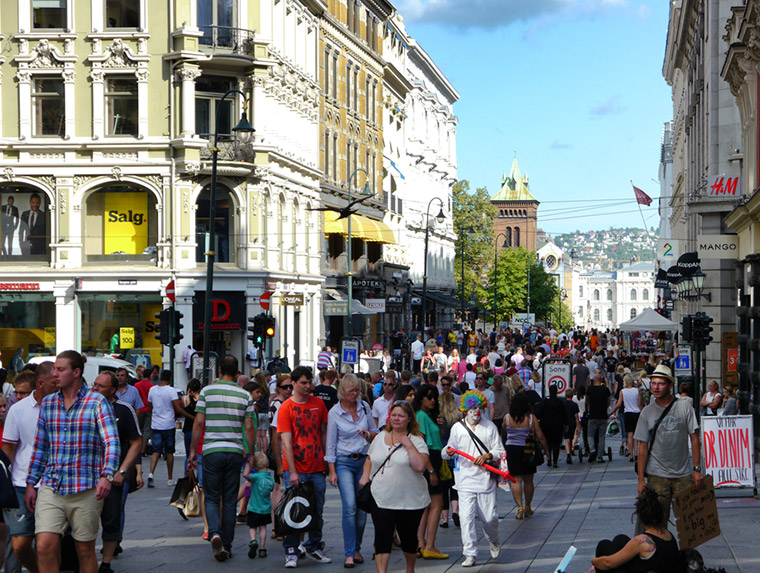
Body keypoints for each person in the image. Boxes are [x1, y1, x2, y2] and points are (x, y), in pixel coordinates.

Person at [24, 351, 120, 573]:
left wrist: (107, 475)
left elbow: (112, 443)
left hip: (86, 487)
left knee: (84, 549)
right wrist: (31, 483)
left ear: (76, 372)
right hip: (52, 485)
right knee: (44, 545)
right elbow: (41, 447)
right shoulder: (48, 403)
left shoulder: (97, 403)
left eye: (60, 369)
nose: (54, 374)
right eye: (54, 369)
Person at [188, 354, 257, 562]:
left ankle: (214, 532)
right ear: (237, 372)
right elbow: (249, 427)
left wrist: (193, 450)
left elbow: (199, 423)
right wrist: (251, 453)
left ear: (219, 371)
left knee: (211, 496)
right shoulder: (245, 396)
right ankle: (226, 543)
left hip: (211, 451)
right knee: (229, 499)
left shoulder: (207, 392)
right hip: (234, 451)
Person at [360, 401, 430, 573]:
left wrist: (408, 444)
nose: (397, 419)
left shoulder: (417, 440)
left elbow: (420, 466)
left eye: (401, 415)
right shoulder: (380, 437)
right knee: (382, 537)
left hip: (409, 499)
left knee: (408, 538)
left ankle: (409, 568)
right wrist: (364, 476)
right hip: (381, 496)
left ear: (409, 419)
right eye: (394, 415)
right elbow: (370, 458)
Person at [634, 364, 703, 530]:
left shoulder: (684, 407)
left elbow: (694, 439)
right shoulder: (647, 413)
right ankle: (661, 554)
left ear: (670, 385)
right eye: (654, 383)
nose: (656, 388)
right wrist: (641, 479)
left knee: (690, 525)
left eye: (661, 384)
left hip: (684, 474)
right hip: (657, 476)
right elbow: (642, 447)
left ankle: (686, 555)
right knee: (657, 524)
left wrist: (697, 469)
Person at [2, 364, 56, 573]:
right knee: (20, 543)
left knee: (47, 543)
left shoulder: (62, 406)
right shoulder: (18, 410)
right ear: (41, 384)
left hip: (52, 484)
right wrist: (5, 488)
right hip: (21, 483)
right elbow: (9, 449)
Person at [277, 365, 331, 568]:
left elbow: (324, 433)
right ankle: (291, 550)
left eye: (310, 382)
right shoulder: (286, 408)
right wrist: (291, 471)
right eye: (304, 383)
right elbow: (286, 442)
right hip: (297, 467)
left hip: (317, 466)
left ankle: (313, 545)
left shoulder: (319, 404)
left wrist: (327, 460)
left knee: (317, 509)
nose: (308, 386)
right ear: (294, 383)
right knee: (294, 510)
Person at [442, 391, 503, 567]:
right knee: (466, 517)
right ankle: (470, 553)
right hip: (464, 480)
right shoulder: (457, 428)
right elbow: (445, 452)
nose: (475, 411)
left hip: (485, 480)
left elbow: (500, 451)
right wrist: (448, 451)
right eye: (471, 408)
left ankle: (493, 539)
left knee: (490, 517)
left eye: (478, 408)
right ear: (465, 410)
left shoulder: (490, 426)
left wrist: (488, 456)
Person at [91, 372, 142, 573]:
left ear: (112, 390)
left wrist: (125, 470)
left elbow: (136, 442)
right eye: (94, 385)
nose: (95, 389)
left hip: (115, 473)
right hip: (89, 473)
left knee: (112, 515)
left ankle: (106, 562)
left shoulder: (123, 409)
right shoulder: (85, 406)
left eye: (101, 386)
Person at [325, 373, 378, 568]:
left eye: (357, 390)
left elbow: (376, 433)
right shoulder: (335, 413)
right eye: (351, 391)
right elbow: (330, 444)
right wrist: (332, 470)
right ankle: (348, 553)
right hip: (344, 462)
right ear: (342, 392)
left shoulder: (364, 407)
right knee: (349, 506)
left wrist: (368, 434)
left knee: (362, 507)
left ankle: (357, 548)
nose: (355, 393)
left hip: (364, 461)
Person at [591, 487, 680, 571]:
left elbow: (608, 563)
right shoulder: (668, 534)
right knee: (620, 539)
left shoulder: (642, 541)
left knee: (603, 545)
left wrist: (594, 561)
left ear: (641, 518)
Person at [412, 384, 447, 560]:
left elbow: (434, 440)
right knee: (436, 503)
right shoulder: (421, 416)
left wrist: (440, 428)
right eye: (429, 397)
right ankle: (429, 545)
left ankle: (421, 543)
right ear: (422, 398)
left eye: (434, 397)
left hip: (433, 458)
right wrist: (431, 469)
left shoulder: (427, 416)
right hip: (430, 460)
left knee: (427, 504)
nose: (432, 400)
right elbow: (422, 445)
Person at [504, 391, 548, 519]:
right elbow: (540, 436)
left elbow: (504, 431)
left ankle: (519, 507)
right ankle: (528, 507)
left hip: (512, 450)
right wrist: (546, 450)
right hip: (528, 450)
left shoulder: (507, 418)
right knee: (528, 480)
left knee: (516, 480)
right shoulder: (531, 419)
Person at [147, 370, 193, 487]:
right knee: (169, 451)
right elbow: (177, 408)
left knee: (156, 451)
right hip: (168, 424)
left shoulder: (152, 390)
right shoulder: (171, 391)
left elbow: (149, 406)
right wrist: (191, 417)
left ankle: (151, 473)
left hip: (156, 424)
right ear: (170, 378)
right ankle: (170, 477)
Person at [243, 452, 275, 559]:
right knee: (263, 528)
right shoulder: (270, 479)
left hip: (254, 508)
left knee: (252, 527)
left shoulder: (255, 477)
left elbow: (245, 475)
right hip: (265, 509)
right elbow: (271, 489)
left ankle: (253, 541)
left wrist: (248, 464)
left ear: (256, 466)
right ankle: (262, 549)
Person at [437, 390, 461, 529]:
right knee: (454, 484)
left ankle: (444, 519)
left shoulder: (439, 418)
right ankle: (456, 511)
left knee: (442, 487)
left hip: (442, 453)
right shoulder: (457, 417)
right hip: (455, 455)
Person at [611, 375, 642, 464]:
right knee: (636, 435)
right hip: (636, 413)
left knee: (629, 435)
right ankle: (636, 453)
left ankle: (631, 455)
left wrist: (612, 412)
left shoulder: (622, 391)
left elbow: (619, 404)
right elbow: (639, 404)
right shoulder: (637, 391)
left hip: (627, 413)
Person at [537, 385, 569, 468]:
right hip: (557, 426)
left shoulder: (544, 403)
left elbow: (539, 413)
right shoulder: (560, 402)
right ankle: (555, 461)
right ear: (557, 391)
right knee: (556, 444)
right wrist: (566, 424)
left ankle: (548, 458)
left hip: (546, 426)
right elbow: (564, 414)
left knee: (548, 443)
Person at [586, 373, 611, 464]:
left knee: (590, 435)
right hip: (603, 415)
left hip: (592, 415)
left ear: (594, 380)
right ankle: (600, 457)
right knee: (601, 436)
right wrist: (605, 408)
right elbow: (608, 401)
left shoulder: (590, 389)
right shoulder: (605, 390)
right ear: (601, 381)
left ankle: (592, 450)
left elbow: (587, 401)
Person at [182, 378, 201, 471]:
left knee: (188, 453)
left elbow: (182, 410)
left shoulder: (185, 399)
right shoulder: (202, 399)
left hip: (188, 428)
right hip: (200, 429)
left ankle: (188, 473)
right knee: (199, 454)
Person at [562, 389, 580, 464]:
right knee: (571, 437)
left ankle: (568, 454)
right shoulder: (574, 405)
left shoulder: (563, 404)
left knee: (566, 439)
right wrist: (578, 426)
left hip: (565, 422)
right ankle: (571, 449)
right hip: (572, 422)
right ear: (572, 396)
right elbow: (576, 416)